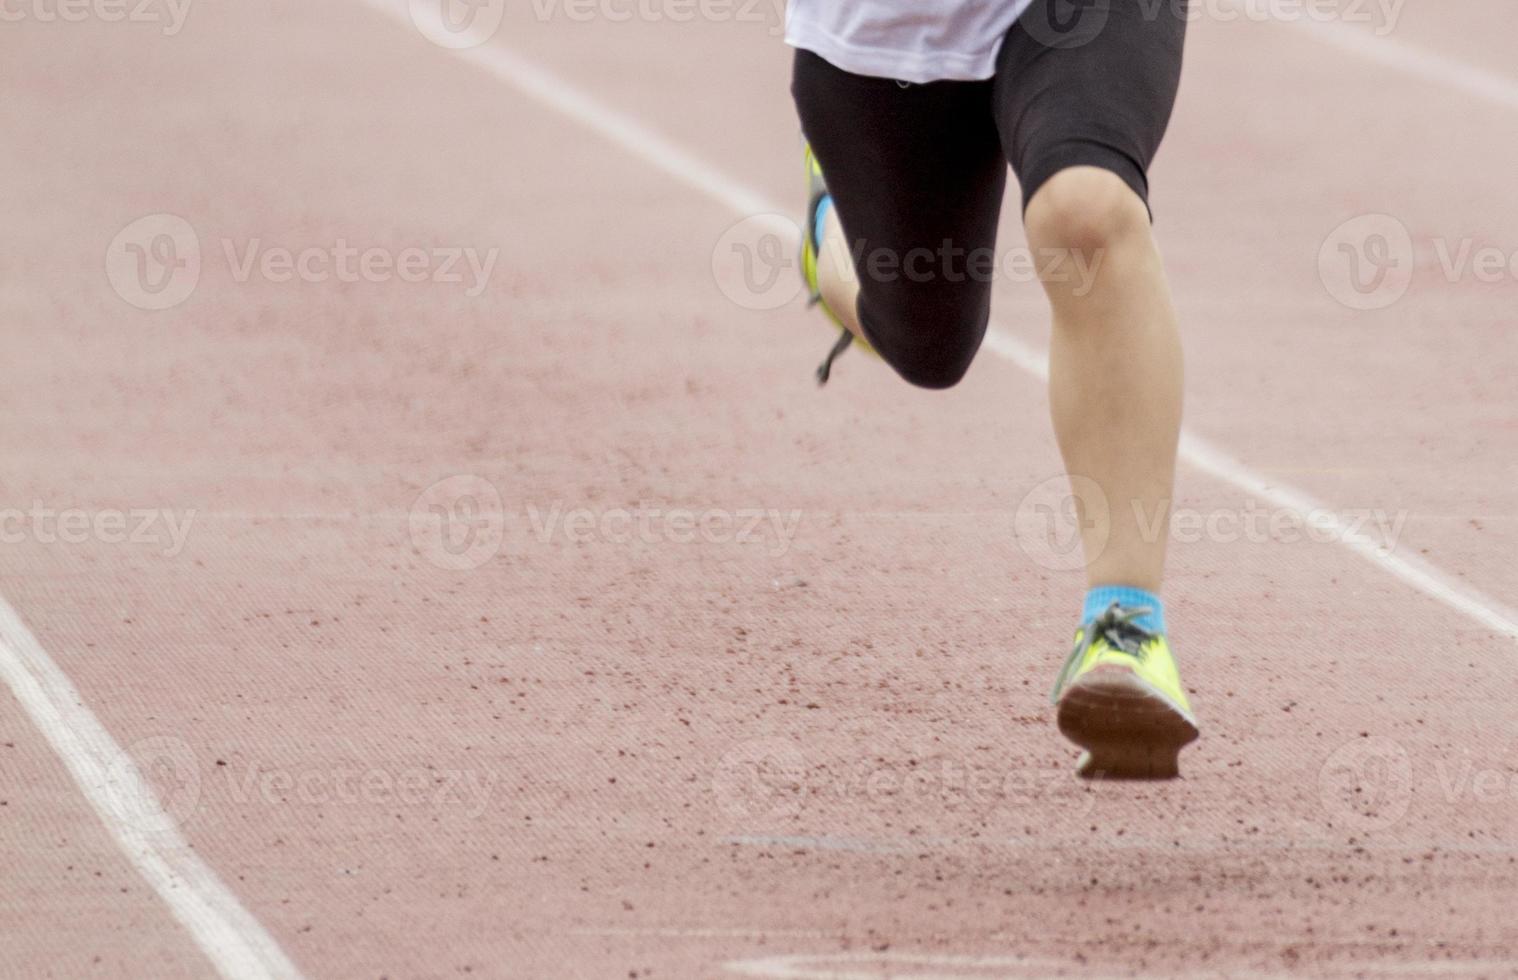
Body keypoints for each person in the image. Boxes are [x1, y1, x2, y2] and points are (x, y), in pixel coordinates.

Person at [788, 0, 1199, 778]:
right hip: (886, 32)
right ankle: (827, 235)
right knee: (926, 342)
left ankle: (1126, 628)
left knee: (1088, 214)